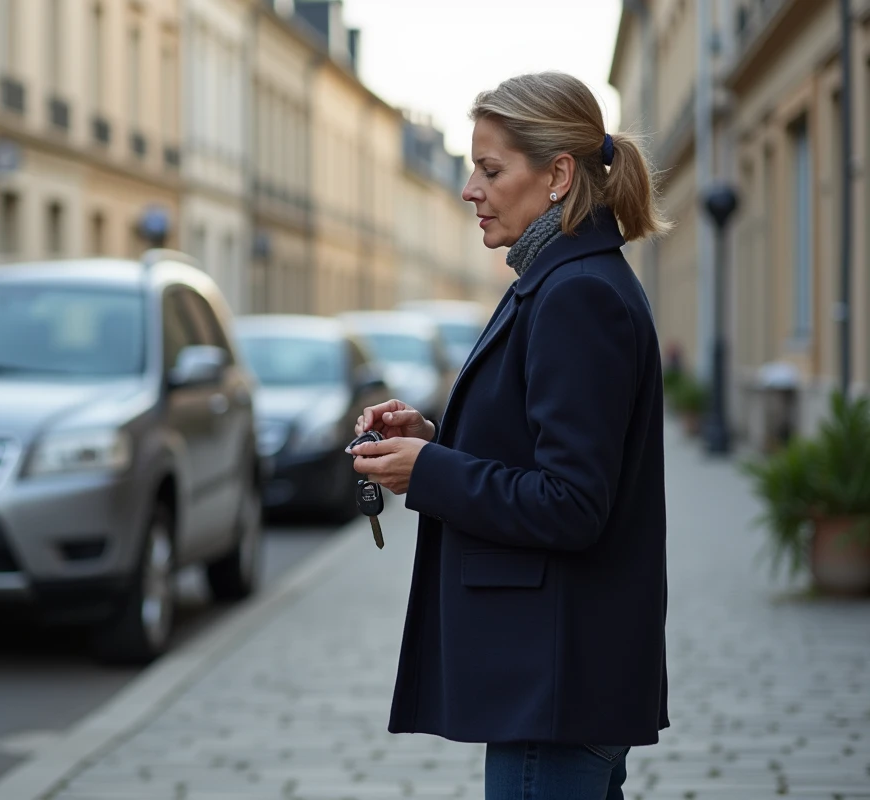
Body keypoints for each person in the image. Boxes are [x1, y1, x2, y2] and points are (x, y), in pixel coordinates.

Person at [350, 71, 672, 800]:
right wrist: (433, 438)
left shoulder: (575, 293)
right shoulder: (557, 278)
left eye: (491, 170)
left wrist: (428, 471)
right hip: (558, 675)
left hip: (552, 683)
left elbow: (572, 502)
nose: (470, 190)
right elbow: (544, 445)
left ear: (558, 175)